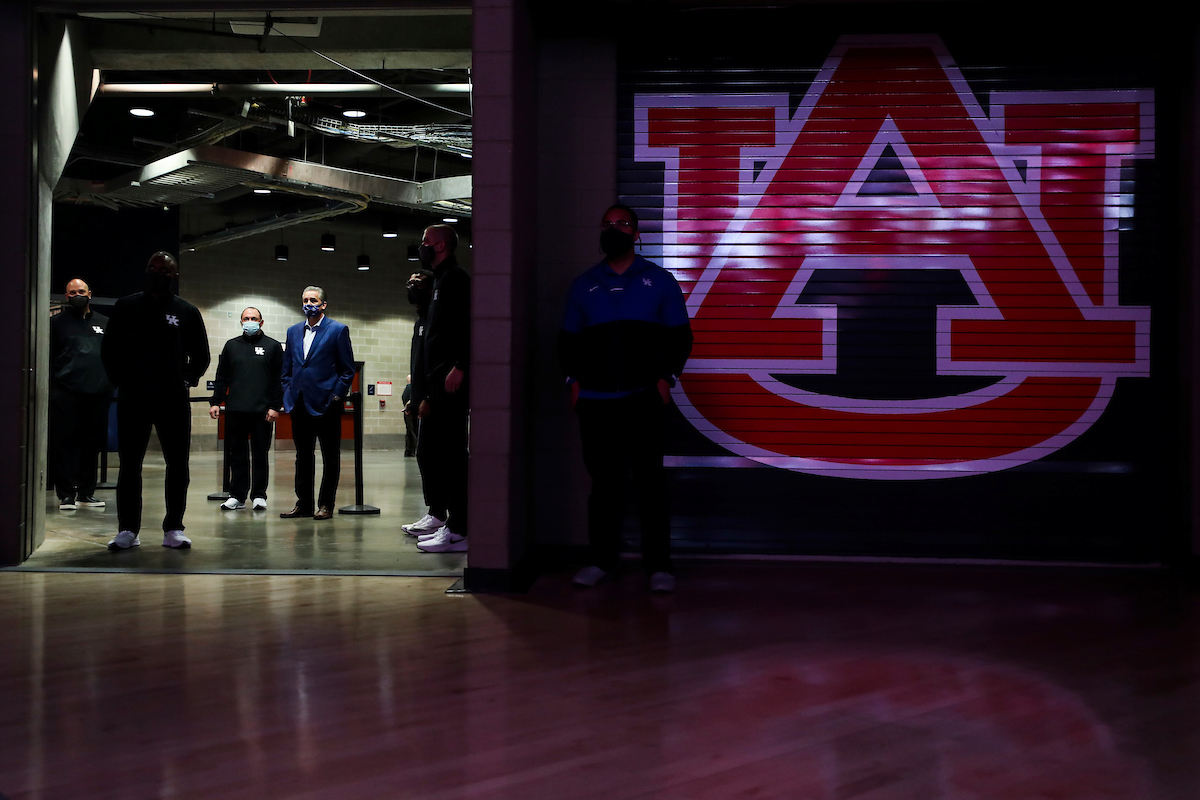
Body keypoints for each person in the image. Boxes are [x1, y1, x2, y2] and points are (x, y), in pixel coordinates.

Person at [559, 204, 693, 593]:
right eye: (606, 224)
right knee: (604, 486)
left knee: (650, 484)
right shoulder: (584, 284)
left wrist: (666, 379)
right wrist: (574, 385)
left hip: (642, 400)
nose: (612, 229)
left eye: (621, 224)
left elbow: (680, 338)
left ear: (636, 233)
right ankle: (601, 561)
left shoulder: (660, 281)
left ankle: (659, 567)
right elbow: (568, 342)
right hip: (596, 402)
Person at [101, 252, 210, 550]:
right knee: (129, 464)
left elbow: (201, 355)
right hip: (133, 398)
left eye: (164, 270)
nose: (157, 272)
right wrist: (120, 379)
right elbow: (109, 350)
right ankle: (128, 530)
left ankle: (173, 527)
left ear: (174, 275)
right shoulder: (126, 306)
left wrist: (186, 379)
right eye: (152, 268)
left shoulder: (186, 312)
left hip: (172, 400)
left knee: (177, 464)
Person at [412, 226, 470, 554]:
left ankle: (460, 528)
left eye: (425, 243)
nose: (421, 247)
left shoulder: (455, 278)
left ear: (442, 245)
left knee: (452, 456)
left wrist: (460, 365)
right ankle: (446, 519)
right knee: (437, 454)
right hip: (438, 380)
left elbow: (466, 324)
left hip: (451, 380)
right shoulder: (439, 281)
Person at [280, 286, 355, 521]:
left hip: (327, 405)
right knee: (303, 456)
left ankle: (325, 505)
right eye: (304, 300)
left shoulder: (337, 330)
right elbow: (287, 369)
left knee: (330, 456)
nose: (308, 303)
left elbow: (347, 370)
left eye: (313, 300)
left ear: (323, 305)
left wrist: (336, 396)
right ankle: (303, 503)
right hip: (299, 403)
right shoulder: (293, 331)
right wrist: (287, 391)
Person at [209, 307, 283, 511]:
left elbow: (279, 379)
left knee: (260, 454)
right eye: (246, 318)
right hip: (236, 411)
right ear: (241, 322)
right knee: (237, 455)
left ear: (262, 322)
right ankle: (237, 496)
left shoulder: (273, 347)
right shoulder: (231, 346)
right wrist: (216, 401)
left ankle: (259, 495)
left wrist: (275, 406)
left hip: (263, 412)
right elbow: (222, 377)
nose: (250, 321)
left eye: (254, 318)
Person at [49, 278, 113, 511]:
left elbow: (112, 356)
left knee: (92, 445)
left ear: (90, 294)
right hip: (66, 394)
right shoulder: (56, 324)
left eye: (81, 291)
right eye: (72, 292)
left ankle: (86, 493)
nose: (77, 295)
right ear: (66, 296)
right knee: (64, 444)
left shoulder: (105, 323)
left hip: (98, 394)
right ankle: (66, 494)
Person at [400, 269, 448, 541]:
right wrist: (413, 399)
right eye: (409, 282)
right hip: (420, 402)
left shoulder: (436, 317)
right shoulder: (420, 321)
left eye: (417, 283)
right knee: (424, 457)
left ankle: (445, 516)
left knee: (440, 459)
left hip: (437, 403)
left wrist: (428, 398)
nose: (411, 286)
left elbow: (437, 365)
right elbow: (418, 366)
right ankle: (436, 512)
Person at [402, 375, 416, 457]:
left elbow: (404, 398)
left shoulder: (406, 389)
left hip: (406, 412)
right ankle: (414, 450)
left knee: (408, 432)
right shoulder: (412, 388)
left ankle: (408, 450)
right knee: (413, 431)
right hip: (411, 412)